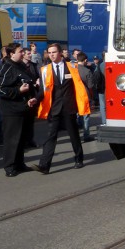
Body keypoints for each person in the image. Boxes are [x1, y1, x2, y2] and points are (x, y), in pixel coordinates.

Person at [30, 43, 90, 174]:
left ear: (61, 53)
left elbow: (83, 82)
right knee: (50, 137)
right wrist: (36, 99)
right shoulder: (45, 70)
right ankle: (44, 165)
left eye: (54, 52)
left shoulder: (72, 67)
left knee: (74, 135)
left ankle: (79, 158)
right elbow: (43, 90)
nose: (51, 55)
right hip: (54, 108)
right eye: (49, 52)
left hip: (69, 107)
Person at [0, 43, 38, 177]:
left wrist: (32, 96)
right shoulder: (7, 67)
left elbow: (28, 84)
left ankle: (20, 164)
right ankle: (9, 167)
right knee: (12, 140)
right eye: (20, 52)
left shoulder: (21, 66)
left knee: (21, 139)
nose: (23, 54)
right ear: (11, 54)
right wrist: (18, 91)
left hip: (24, 109)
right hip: (12, 111)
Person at [22, 47, 40, 148]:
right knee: (23, 121)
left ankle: (30, 139)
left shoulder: (33, 65)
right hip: (24, 95)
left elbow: (37, 76)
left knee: (30, 120)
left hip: (32, 95)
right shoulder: (20, 66)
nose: (30, 55)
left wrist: (37, 82)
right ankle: (23, 141)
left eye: (30, 53)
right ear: (23, 54)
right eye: (28, 53)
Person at [76, 52, 95, 142]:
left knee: (77, 115)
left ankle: (76, 136)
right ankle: (86, 135)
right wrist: (92, 99)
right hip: (85, 95)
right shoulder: (87, 71)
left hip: (75, 95)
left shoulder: (73, 69)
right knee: (86, 117)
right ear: (86, 60)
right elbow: (90, 86)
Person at [93, 52, 106, 125]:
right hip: (112, 88)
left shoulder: (100, 65)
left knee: (102, 106)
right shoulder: (113, 63)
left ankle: (104, 122)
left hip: (102, 88)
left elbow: (96, 77)